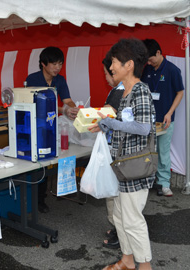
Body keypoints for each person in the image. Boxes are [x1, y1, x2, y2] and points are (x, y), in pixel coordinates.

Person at [89, 38, 155, 270]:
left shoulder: (140, 90)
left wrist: (113, 123)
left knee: (132, 219)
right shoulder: (125, 93)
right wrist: (106, 124)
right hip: (121, 168)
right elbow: (124, 125)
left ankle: (144, 266)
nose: (111, 67)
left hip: (135, 169)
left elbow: (143, 127)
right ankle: (127, 261)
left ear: (129, 65)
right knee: (119, 217)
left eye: (115, 62)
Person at [25, 46, 78, 213]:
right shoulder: (32, 79)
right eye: (54, 64)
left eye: (60, 64)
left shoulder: (60, 80)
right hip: (36, 126)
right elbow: (37, 104)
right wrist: (64, 110)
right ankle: (38, 199)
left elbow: (67, 100)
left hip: (53, 125)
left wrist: (73, 108)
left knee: (51, 160)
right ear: (43, 64)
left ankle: (46, 194)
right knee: (39, 163)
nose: (57, 68)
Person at [141, 39, 184, 197]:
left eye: (151, 59)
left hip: (165, 120)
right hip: (147, 120)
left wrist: (169, 112)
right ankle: (148, 180)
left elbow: (180, 92)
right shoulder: (146, 69)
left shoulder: (172, 70)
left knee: (163, 152)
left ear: (159, 53)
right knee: (147, 151)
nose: (149, 62)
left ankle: (164, 183)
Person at [101, 54, 124, 250]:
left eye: (107, 73)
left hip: (116, 151)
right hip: (120, 150)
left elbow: (105, 116)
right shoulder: (123, 89)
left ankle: (119, 234)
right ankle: (118, 230)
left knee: (114, 194)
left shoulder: (118, 92)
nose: (106, 77)